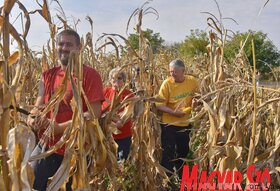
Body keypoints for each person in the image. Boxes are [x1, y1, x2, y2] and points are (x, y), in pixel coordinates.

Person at [27, 29, 104, 191]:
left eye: (69, 44)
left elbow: (94, 114)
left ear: (79, 47)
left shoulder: (90, 75)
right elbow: (38, 105)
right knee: (30, 182)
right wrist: (33, 118)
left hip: (75, 150)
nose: (64, 48)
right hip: (46, 146)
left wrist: (60, 128)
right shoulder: (47, 75)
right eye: (61, 44)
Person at [156, 59, 199, 178]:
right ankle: (167, 181)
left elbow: (199, 97)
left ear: (183, 71)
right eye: (170, 72)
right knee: (168, 153)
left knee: (183, 152)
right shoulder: (167, 84)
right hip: (169, 124)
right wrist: (173, 112)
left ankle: (182, 178)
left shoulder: (192, 81)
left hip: (185, 124)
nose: (172, 74)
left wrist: (197, 103)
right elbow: (159, 105)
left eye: (175, 72)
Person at [102, 68, 134, 160]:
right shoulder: (105, 92)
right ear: (110, 80)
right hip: (107, 135)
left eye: (119, 78)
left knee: (122, 162)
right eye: (113, 78)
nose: (115, 81)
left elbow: (129, 112)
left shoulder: (129, 95)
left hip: (123, 134)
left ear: (124, 80)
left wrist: (121, 122)